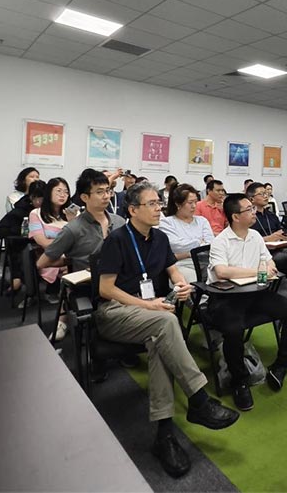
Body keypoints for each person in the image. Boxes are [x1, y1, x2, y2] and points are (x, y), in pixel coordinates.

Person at [95, 181, 238, 478]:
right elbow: (105, 289)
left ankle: (165, 435)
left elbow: (172, 270)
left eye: (159, 203)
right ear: (132, 210)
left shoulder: (159, 238)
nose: (159, 208)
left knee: (159, 341)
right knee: (166, 322)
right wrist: (147, 305)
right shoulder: (117, 240)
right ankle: (198, 399)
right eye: (151, 204)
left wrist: (181, 284)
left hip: (151, 315)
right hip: (116, 312)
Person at [206, 193, 287, 410]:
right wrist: (257, 271)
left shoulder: (256, 236)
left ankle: (281, 365)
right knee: (233, 330)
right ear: (235, 216)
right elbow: (222, 272)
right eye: (248, 209)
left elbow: (268, 262)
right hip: (228, 297)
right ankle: (239, 381)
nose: (254, 212)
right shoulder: (221, 241)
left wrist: (269, 267)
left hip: (256, 293)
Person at [38, 169, 126, 273]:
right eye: (100, 192)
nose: (106, 196)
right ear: (85, 197)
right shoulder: (73, 228)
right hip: (87, 281)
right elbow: (42, 263)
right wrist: (73, 261)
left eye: (108, 190)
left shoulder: (120, 222)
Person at [28, 178, 77, 338]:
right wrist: (65, 245)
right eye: (59, 191)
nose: (63, 195)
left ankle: (79, 315)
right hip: (49, 260)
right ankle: (63, 321)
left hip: (70, 258)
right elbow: (42, 241)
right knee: (72, 275)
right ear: (49, 193)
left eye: (66, 191)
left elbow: (79, 239)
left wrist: (72, 222)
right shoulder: (36, 214)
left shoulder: (71, 214)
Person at [0, 180, 46, 298]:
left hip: (44, 245)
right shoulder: (19, 212)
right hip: (23, 247)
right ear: (31, 197)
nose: (40, 202)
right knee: (27, 253)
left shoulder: (50, 209)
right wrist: (23, 231)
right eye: (37, 198)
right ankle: (27, 290)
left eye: (43, 199)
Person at [159, 184, 214, 284]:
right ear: (178, 204)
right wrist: (199, 242)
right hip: (182, 265)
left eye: (196, 202)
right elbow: (176, 245)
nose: (194, 206)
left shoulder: (202, 221)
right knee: (194, 283)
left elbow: (209, 244)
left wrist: (188, 252)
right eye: (190, 203)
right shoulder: (167, 223)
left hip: (206, 262)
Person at [246, 183, 287, 274]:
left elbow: (280, 231)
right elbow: (247, 240)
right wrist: (269, 238)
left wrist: (284, 236)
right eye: (262, 194)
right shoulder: (248, 218)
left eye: (266, 193)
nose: (266, 196)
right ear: (252, 199)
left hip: (279, 249)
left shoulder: (272, 215)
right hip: (260, 253)